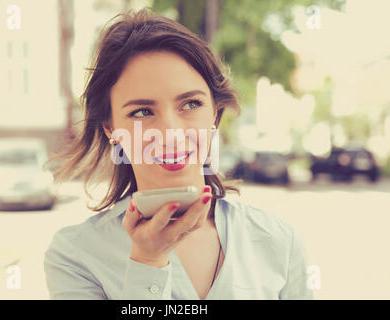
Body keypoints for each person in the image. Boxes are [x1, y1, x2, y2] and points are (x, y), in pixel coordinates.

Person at [43, 7, 313, 300]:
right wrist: (147, 263)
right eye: (142, 111)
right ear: (110, 128)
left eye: (190, 104)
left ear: (214, 112)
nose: (170, 132)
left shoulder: (278, 241)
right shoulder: (75, 256)